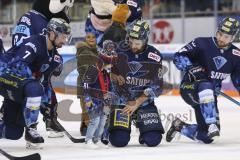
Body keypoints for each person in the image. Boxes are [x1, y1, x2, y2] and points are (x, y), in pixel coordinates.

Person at [166, 17, 240, 144]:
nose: (222, 38)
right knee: (205, 85)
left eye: (226, 37)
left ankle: (179, 126)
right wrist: (191, 67)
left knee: (206, 136)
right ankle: (211, 123)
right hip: (189, 88)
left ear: (233, 38)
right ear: (217, 31)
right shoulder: (201, 43)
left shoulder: (236, 55)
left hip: (209, 97)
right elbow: (179, 56)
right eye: (220, 34)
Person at [0, 18, 71, 149]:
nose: (64, 40)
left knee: (13, 132)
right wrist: (38, 92)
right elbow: (18, 66)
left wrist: (48, 107)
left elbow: (45, 82)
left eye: (66, 37)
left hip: (18, 86)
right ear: (52, 34)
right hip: (4, 73)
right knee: (34, 88)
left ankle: (11, 121)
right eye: (62, 36)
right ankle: (31, 129)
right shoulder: (34, 43)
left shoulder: (55, 58)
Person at [10, 0, 74, 138]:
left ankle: (9, 116)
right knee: (42, 84)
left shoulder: (30, 16)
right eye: (65, 8)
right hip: (27, 65)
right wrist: (58, 62)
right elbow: (46, 51)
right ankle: (48, 121)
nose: (65, 13)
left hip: (19, 63)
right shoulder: (41, 22)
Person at [107, 20, 164, 147]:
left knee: (153, 140)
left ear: (145, 40)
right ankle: (111, 123)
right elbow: (108, 74)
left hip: (143, 102)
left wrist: (137, 103)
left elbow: (157, 87)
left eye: (137, 43)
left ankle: (144, 130)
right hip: (122, 101)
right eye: (131, 42)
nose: (133, 46)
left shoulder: (154, 56)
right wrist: (114, 76)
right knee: (118, 140)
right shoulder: (119, 50)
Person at [83, 40, 117, 149]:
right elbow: (86, 85)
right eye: (110, 63)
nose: (111, 66)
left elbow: (110, 86)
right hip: (93, 100)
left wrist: (110, 97)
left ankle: (96, 139)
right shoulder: (93, 69)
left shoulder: (106, 72)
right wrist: (88, 99)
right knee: (95, 120)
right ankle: (88, 140)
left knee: (102, 121)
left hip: (103, 100)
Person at [76, 32, 98, 136]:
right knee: (87, 109)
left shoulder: (96, 51)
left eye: (93, 37)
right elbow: (84, 70)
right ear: (85, 39)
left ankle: (85, 128)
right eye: (88, 37)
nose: (91, 39)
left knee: (89, 108)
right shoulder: (85, 51)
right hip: (85, 85)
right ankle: (87, 129)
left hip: (92, 85)